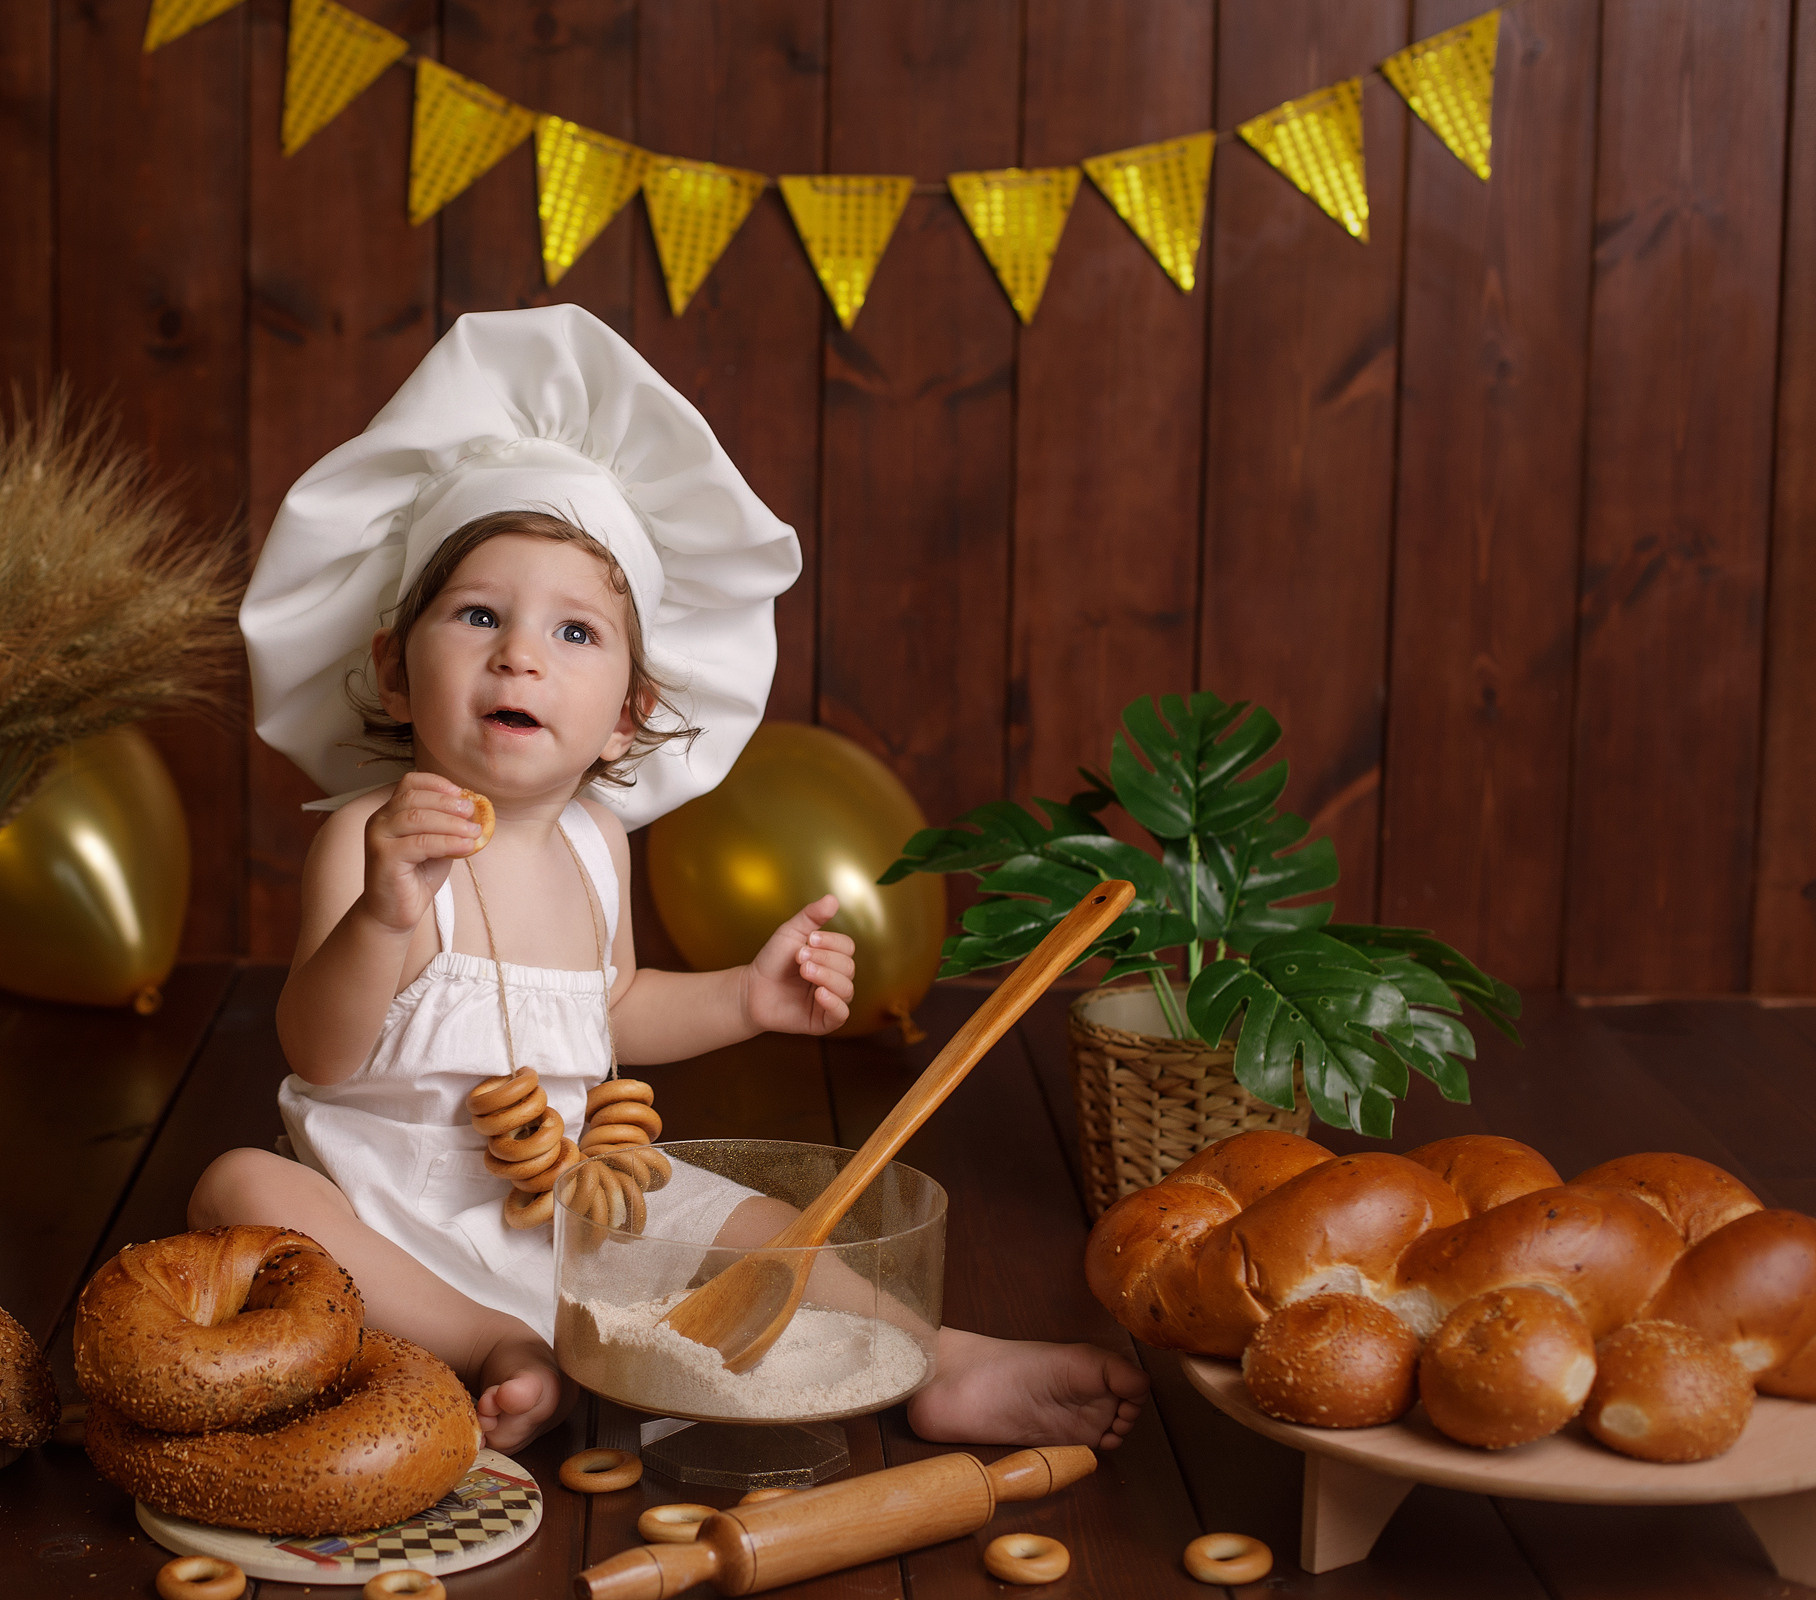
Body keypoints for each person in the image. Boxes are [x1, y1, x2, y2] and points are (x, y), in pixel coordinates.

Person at [191, 304, 1146, 1455]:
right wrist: (383, 914)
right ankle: (491, 1342)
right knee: (242, 1187)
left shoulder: (598, 843)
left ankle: (933, 1355)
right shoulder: (370, 837)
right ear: (395, 670)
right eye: (479, 614)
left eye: (576, 634)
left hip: (578, 1194)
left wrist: (747, 996)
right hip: (390, 1208)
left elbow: (614, 1007)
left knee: (759, 1220)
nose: (520, 653)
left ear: (628, 716)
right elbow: (321, 1052)